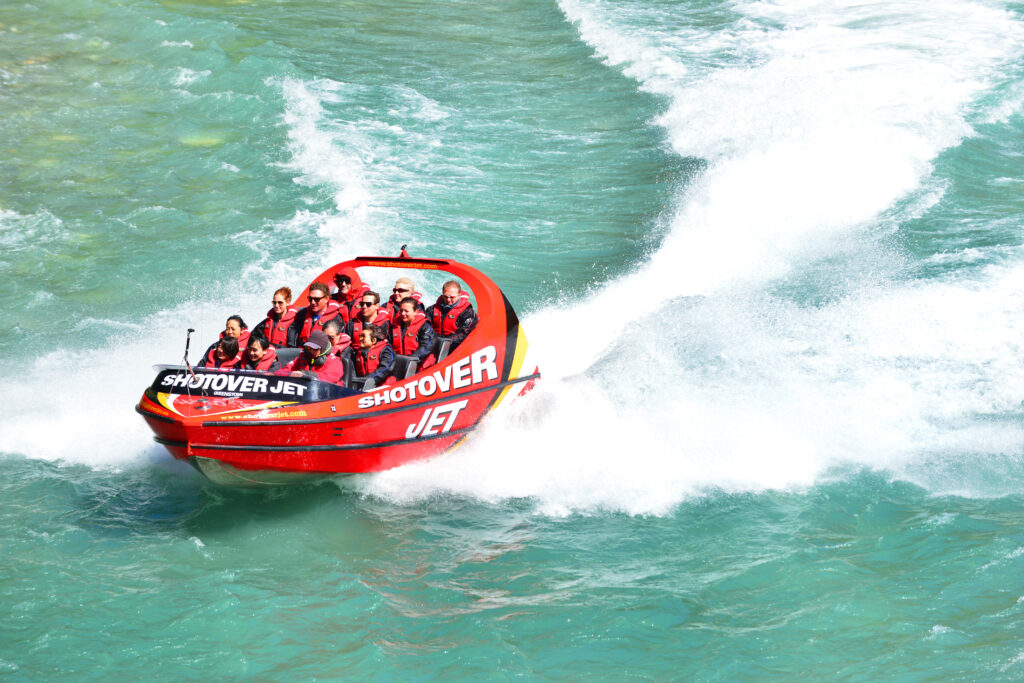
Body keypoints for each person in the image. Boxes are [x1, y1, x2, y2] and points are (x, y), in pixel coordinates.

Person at [278, 330, 345, 384]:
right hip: (307, 391)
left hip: (329, 394)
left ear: (323, 349)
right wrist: (275, 374)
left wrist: (305, 374)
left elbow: (330, 377)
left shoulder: (334, 360)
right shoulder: (303, 355)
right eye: (309, 347)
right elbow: (288, 369)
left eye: (315, 349)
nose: (311, 351)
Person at [425, 280, 476, 351]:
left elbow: (464, 333)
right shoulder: (431, 309)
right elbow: (425, 327)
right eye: (446, 296)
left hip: (455, 347)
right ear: (442, 294)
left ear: (459, 295)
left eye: (452, 297)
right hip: (433, 343)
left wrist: (445, 342)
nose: (448, 300)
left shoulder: (467, 312)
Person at [292, 281, 342, 346]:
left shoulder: (336, 318)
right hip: (302, 352)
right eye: (310, 299)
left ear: (326, 299)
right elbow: (293, 338)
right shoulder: (301, 315)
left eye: (316, 299)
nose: (312, 302)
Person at [390, 297, 435, 368]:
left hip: (419, 365)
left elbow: (426, 346)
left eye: (406, 311)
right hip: (400, 364)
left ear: (416, 311)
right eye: (401, 310)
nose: (403, 313)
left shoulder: (425, 326)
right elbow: (388, 345)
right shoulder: (395, 326)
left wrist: (411, 360)